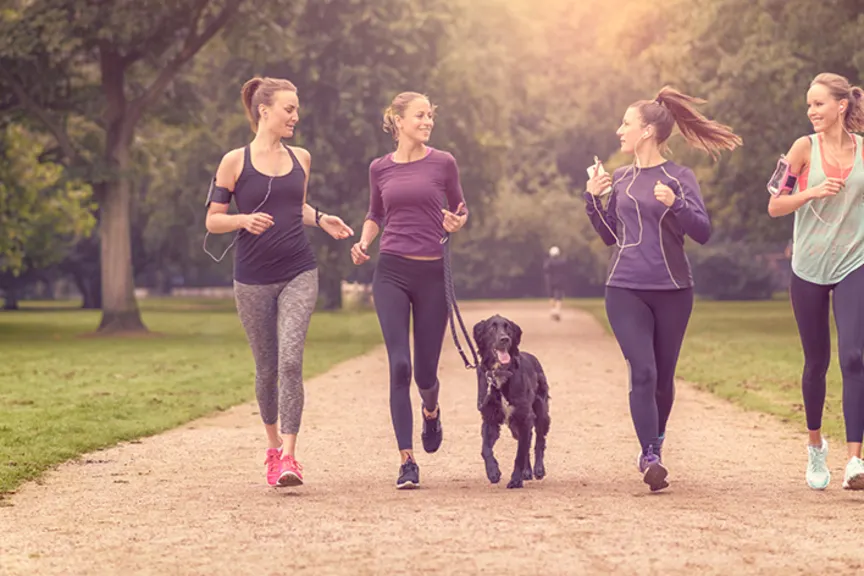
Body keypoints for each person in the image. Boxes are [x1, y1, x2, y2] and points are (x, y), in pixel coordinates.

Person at [584, 86, 741, 492]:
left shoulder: (679, 177)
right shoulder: (620, 177)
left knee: (664, 379)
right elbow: (609, 237)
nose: (619, 130)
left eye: (626, 123)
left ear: (648, 131)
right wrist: (592, 200)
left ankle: (655, 443)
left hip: (673, 290)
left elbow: (702, 232)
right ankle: (650, 457)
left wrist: (676, 203)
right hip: (624, 288)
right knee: (643, 370)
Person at [205, 77, 354, 488]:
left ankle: (290, 456)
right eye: (289, 108)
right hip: (251, 278)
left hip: (298, 270)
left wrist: (322, 219)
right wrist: (242, 219)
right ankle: (272, 449)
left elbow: (295, 206)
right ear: (264, 110)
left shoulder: (301, 158)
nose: (296, 116)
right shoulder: (234, 162)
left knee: (290, 361)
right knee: (266, 367)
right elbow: (213, 220)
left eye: (297, 108)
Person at [351, 91, 468, 489]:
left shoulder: (443, 163)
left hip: (433, 275)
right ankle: (406, 460)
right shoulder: (379, 168)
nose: (427, 121)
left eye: (430, 116)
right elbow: (375, 214)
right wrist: (365, 242)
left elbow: (461, 208)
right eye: (419, 116)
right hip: (392, 273)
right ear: (398, 121)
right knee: (399, 364)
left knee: (426, 374)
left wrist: (456, 223)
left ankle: (431, 411)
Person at [767, 72, 864, 491]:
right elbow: (775, 204)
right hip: (808, 266)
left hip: (854, 263)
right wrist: (811, 192)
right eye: (809, 105)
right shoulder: (803, 149)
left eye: (819, 104)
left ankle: (855, 461)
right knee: (816, 363)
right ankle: (815, 447)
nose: (812, 111)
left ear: (841, 105)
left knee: (855, 357)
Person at [543, 246, 566, 320]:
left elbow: (546, 270)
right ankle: (557, 311)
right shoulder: (562, 262)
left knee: (551, 296)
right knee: (559, 297)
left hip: (550, 281)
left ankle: (553, 311)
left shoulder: (548, 262)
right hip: (560, 281)